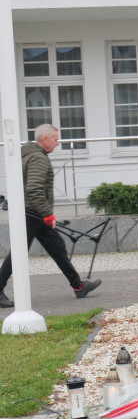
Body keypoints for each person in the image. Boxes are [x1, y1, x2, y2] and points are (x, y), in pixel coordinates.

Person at [0, 124, 101, 308]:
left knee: (57, 248)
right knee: (17, 254)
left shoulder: (31, 154)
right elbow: (34, 189)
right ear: (45, 139)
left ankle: (78, 286)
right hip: (34, 214)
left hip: (34, 212)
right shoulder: (38, 158)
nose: (57, 143)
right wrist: (47, 214)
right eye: (55, 139)